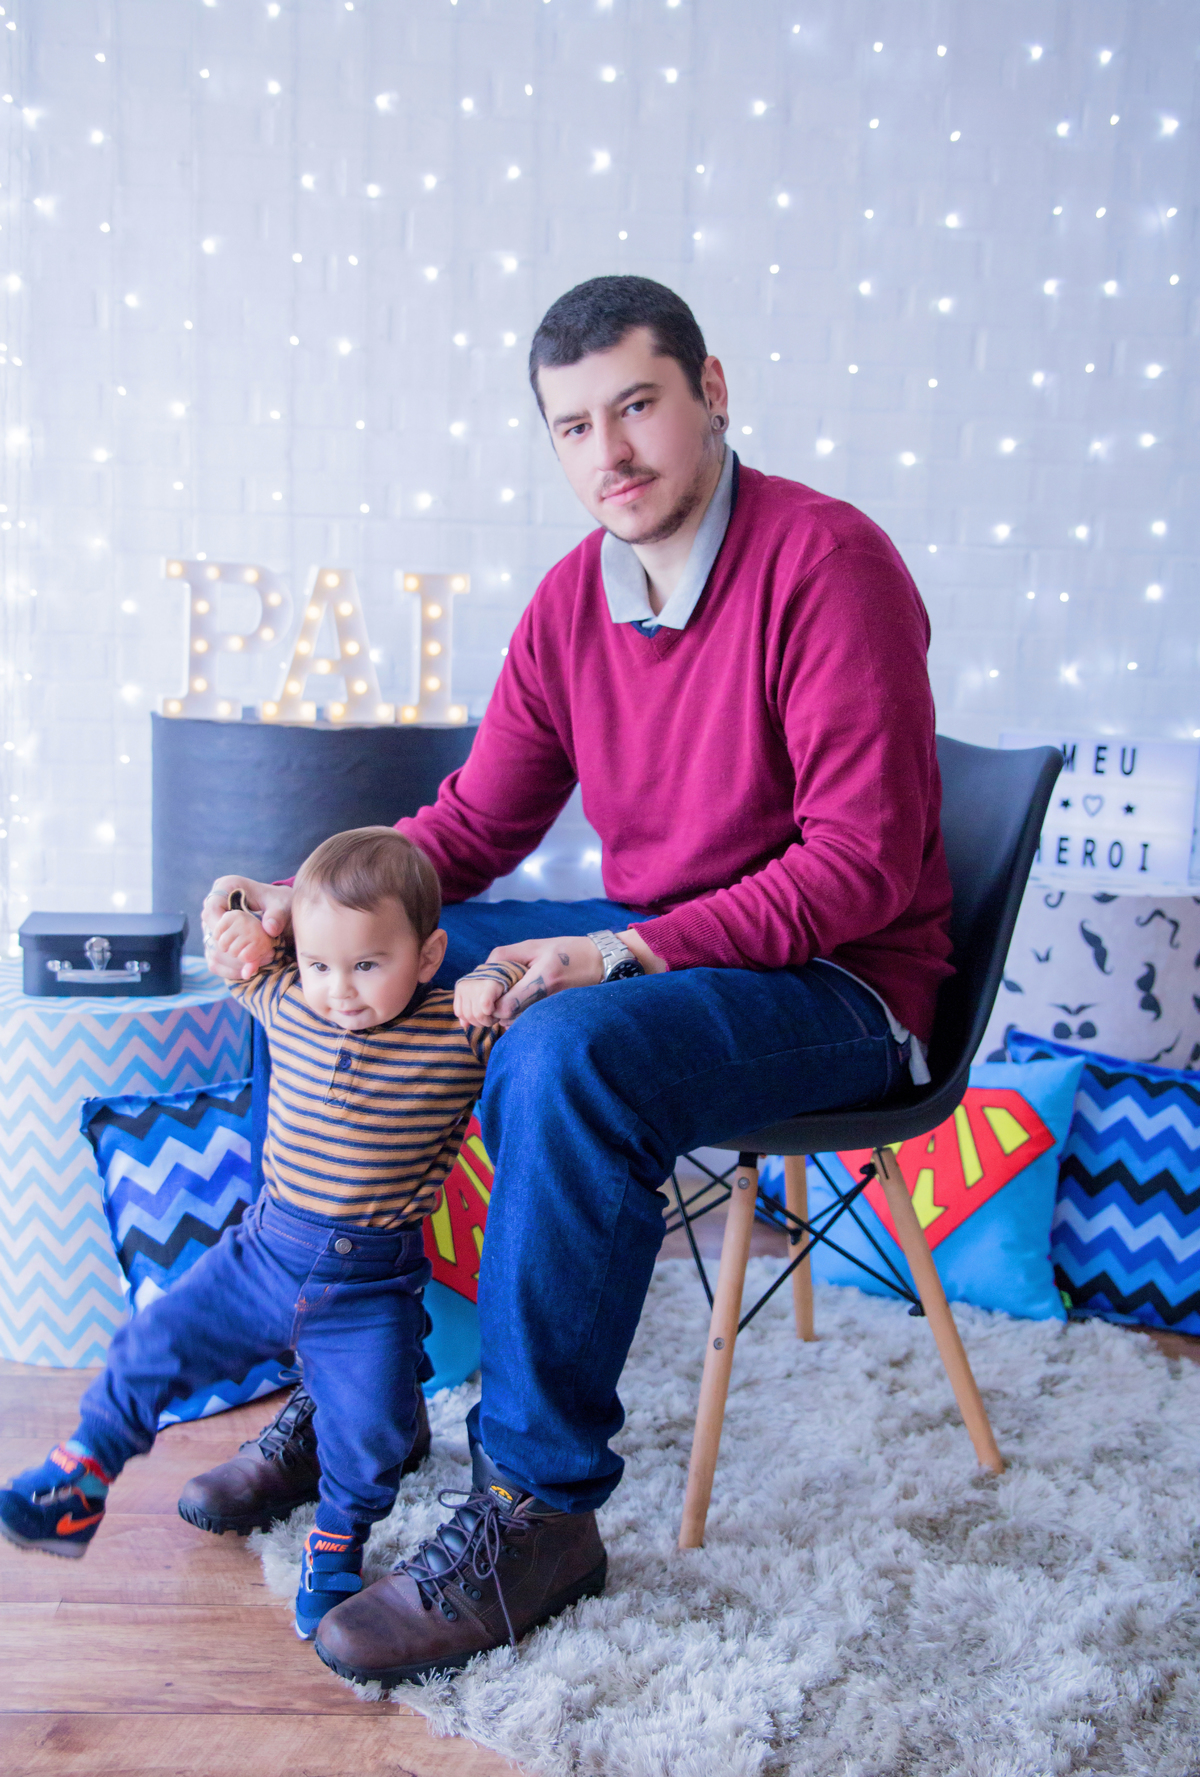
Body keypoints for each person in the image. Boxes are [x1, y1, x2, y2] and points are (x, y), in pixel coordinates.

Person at [196, 274, 955, 1687]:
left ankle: (538, 1514)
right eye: (571, 427)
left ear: (711, 392)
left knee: (567, 1049)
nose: (606, 452)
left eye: (637, 407)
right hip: (677, 946)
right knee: (331, 969)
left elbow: (858, 866)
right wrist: (299, 904)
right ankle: (357, 1381)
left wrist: (617, 951)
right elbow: (475, 828)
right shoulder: (569, 604)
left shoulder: (828, 564)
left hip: (846, 986)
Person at [0, 828, 524, 1646]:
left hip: (368, 1290)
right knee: (151, 1343)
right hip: (261, 1258)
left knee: (374, 1429)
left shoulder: (458, 1033)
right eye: (321, 964)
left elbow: (534, 991)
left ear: (427, 958)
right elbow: (238, 939)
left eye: (366, 966)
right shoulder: (285, 995)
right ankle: (83, 1470)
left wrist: (496, 977)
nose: (339, 990)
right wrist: (244, 911)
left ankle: (336, 1540)